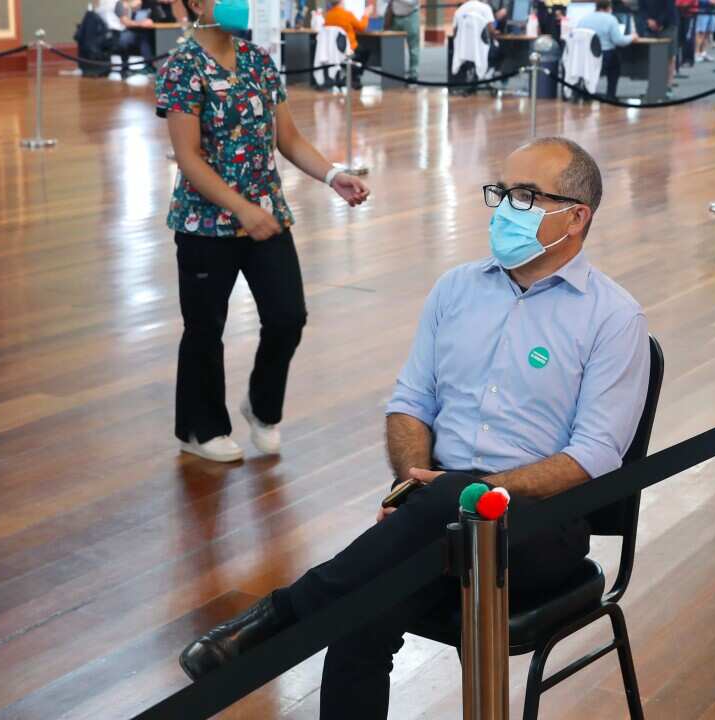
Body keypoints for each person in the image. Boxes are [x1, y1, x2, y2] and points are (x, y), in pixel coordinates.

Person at [177, 137, 650, 719]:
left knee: (457, 492)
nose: (504, 207)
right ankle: (313, 599)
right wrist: (412, 486)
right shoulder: (457, 289)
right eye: (501, 192)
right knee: (360, 614)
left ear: (576, 218)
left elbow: (596, 455)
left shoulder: (613, 317)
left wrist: (471, 492)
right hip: (436, 519)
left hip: (539, 529)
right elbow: (410, 404)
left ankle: (280, 617)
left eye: (525, 196)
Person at [157, 0, 371, 463]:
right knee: (204, 328)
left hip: (267, 215)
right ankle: (200, 428)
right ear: (196, 3)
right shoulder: (182, 67)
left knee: (287, 316)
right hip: (205, 224)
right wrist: (240, 210)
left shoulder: (257, 60)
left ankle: (261, 406)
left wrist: (334, 175)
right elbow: (188, 157)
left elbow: (288, 138)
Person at [578, 0, 637, 96]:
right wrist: (632, 37)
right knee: (615, 63)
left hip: (585, 57)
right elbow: (619, 41)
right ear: (609, 7)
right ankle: (610, 95)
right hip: (603, 57)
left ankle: (585, 92)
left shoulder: (583, 19)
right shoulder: (610, 19)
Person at [324, 0, 377, 88]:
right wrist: (366, 14)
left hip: (334, 50)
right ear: (341, 2)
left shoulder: (328, 16)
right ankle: (355, 77)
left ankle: (352, 76)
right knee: (365, 52)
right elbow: (362, 27)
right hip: (349, 49)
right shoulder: (347, 14)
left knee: (360, 51)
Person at [98, 0, 158, 76]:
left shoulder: (103, 3)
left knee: (138, 34)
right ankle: (149, 66)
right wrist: (141, 23)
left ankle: (127, 66)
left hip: (105, 36)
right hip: (116, 36)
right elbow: (125, 22)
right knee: (143, 35)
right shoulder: (118, 3)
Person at [637, 0, 679, 87]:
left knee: (669, 56)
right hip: (650, 25)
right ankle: (655, 85)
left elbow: (669, 7)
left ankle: (668, 85)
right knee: (652, 55)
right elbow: (641, 8)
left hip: (668, 24)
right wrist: (648, 20)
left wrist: (659, 23)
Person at [384, 0, 421, 80]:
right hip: (394, 17)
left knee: (413, 48)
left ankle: (413, 75)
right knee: (393, 47)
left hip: (411, 16)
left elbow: (412, 2)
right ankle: (395, 73)